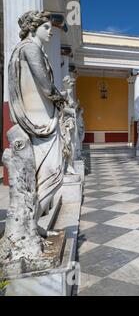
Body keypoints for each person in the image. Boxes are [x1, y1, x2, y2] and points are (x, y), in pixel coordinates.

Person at [8, 11, 66, 219]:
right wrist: (61, 98)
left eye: (51, 28)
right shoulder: (30, 48)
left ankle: (32, 222)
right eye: (46, 28)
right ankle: (31, 222)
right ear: (33, 28)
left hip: (41, 120)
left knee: (46, 174)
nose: (50, 32)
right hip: (40, 122)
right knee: (52, 171)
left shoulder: (27, 49)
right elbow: (46, 85)